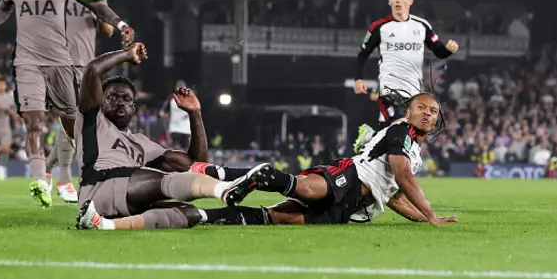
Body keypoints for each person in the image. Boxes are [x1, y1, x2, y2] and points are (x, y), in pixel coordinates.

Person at [0, 0, 135, 207]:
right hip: (34, 60)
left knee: (74, 124)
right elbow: (5, 5)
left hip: (81, 66)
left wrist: (119, 23)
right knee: (34, 119)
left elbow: (106, 24)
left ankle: (68, 171)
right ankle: (52, 177)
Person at [194, 93, 458, 227]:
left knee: (279, 218)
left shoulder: (415, 153)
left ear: (437, 120)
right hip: (351, 178)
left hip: (353, 207)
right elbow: (403, 176)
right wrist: (431, 215)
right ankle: (260, 174)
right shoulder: (401, 131)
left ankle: (204, 214)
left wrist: (424, 218)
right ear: (408, 113)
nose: (426, 113)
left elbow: (394, 196)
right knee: (306, 188)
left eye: (432, 111)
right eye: (420, 108)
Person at [75, 43, 262, 230]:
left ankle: (106, 225)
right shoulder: (93, 120)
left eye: (126, 99)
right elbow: (92, 70)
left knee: (188, 212)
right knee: (165, 181)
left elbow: (196, 164)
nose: (120, 103)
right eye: (113, 97)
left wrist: (195, 114)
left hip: (124, 200)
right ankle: (224, 189)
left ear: (133, 108)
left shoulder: (142, 143)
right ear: (100, 102)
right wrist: (126, 54)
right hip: (98, 188)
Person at [352, 0, 459, 153]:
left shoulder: (422, 26)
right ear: (389, 1)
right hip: (389, 89)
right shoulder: (379, 28)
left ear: (410, 1)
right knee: (398, 128)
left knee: (395, 133)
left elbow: (439, 51)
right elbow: (362, 54)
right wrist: (358, 78)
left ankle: (369, 138)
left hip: (413, 91)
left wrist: (448, 50)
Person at [44, 0, 115, 204]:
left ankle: (48, 166)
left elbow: (107, 31)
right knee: (72, 118)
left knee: (78, 123)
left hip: (87, 65)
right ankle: (67, 179)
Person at [160, 79, 192, 150]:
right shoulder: (171, 98)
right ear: (176, 88)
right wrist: (167, 128)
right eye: (179, 87)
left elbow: (195, 111)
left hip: (187, 129)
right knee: (176, 149)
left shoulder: (190, 99)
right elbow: (163, 113)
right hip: (175, 129)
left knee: (186, 150)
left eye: (182, 87)